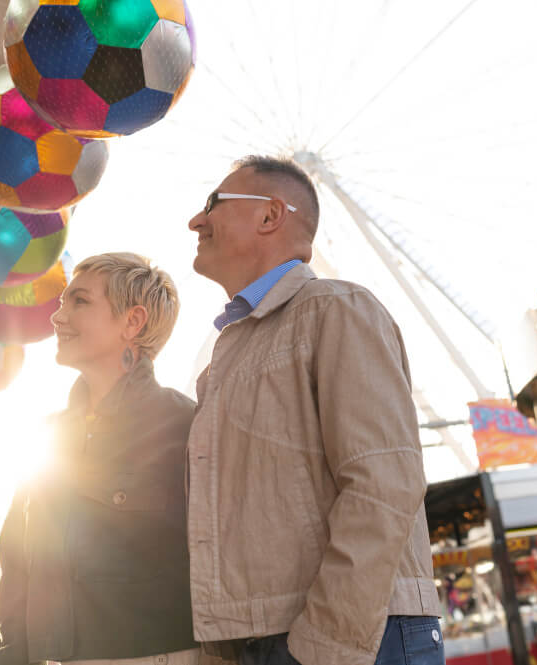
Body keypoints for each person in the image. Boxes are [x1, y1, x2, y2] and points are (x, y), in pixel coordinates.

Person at [186, 156, 444, 665]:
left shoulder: (336, 309)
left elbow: (384, 481)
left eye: (213, 203)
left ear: (270, 216)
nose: (196, 221)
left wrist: (324, 646)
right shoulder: (228, 358)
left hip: (352, 635)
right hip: (271, 636)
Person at [0, 253, 200, 665]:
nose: (57, 317)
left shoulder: (187, 426)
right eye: (63, 302)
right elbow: (17, 570)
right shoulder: (46, 435)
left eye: (80, 302)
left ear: (132, 322)